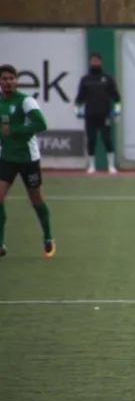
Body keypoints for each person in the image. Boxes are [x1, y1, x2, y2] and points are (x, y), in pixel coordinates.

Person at [0, 64, 55, 259]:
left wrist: (15, 131)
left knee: (36, 199)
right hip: (6, 158)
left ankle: (48, 237)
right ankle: (0, 243)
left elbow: (41, 124)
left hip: (27, 159)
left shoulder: (25, 101)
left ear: (16, 80)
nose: (8, 82)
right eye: (4, 79)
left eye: (11, 78)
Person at [75, 52, 121, 175]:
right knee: (91, 140)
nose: (95, 63)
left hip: (105, 115)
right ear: (90, 62)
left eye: (97, 60)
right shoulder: (85, 79)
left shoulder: (108, 78)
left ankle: (111, 166)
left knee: (107, 139)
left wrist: (117, 111)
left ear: (101, 62)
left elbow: (116, 97)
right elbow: (80, 97)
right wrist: (77, 110)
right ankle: (91, 166)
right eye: (93, 60)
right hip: (90, 115)